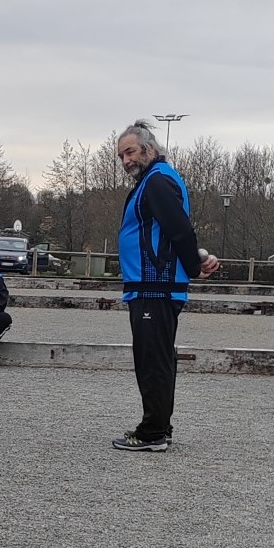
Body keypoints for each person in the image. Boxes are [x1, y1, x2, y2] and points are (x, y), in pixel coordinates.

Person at [113, 119, 219, 451]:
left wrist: (193, 266)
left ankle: (153, 432)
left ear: (150, 148)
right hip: (149, 287)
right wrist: (196, 259)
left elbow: (179, 228)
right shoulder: (153, 181)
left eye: (130, 152)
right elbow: (172, 233)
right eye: (121, 156)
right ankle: (160, 426)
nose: (126, 160)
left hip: (154, 287)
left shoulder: (157, 181)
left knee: (153, 360)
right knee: (157, 358)